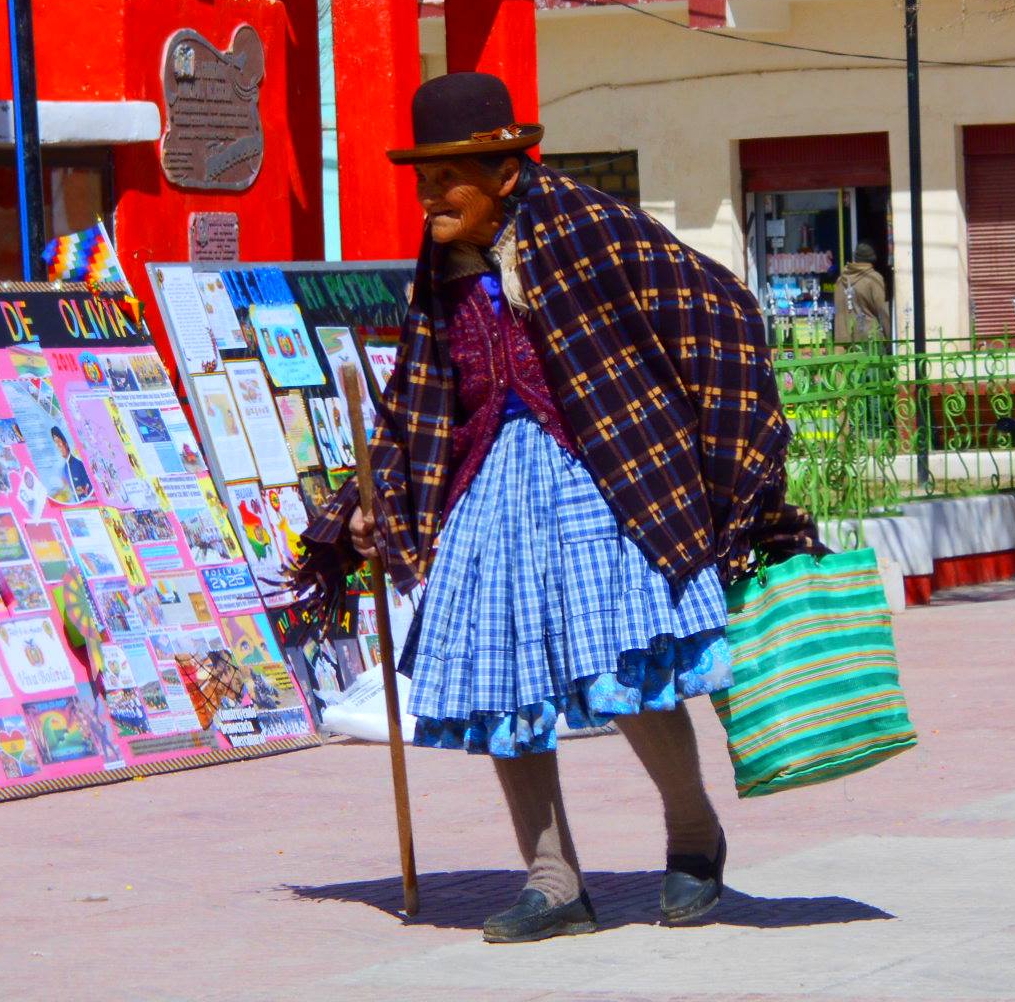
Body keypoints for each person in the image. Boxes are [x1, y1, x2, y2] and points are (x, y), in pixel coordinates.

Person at [301, 72, 820, 944]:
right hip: (489, 491)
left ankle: (694, 834)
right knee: (502, 686)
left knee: (628, 668)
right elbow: (420, 394)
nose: (430, 196)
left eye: (448, 179)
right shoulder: (442, 260)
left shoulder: (586, 224)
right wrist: (371, 499)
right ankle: (554, 883)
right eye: (424, 178)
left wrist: (714, 449)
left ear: (506, 173)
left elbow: (718, 306)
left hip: (604, 478)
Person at [833, 242, 892, 345]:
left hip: (844, 342)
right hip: (869, 340)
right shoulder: (873, 278)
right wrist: (890, 338)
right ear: (873, 258)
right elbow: (883, 311)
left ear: (855, 256)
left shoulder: (840, 280)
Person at [50, 427, 94, 502]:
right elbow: (71, 490)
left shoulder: (79, 464)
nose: (57, 446)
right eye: (55, 443)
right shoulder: (65, 469)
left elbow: (90, 485)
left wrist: (84, 490)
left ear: (66, 443)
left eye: (58, 441)